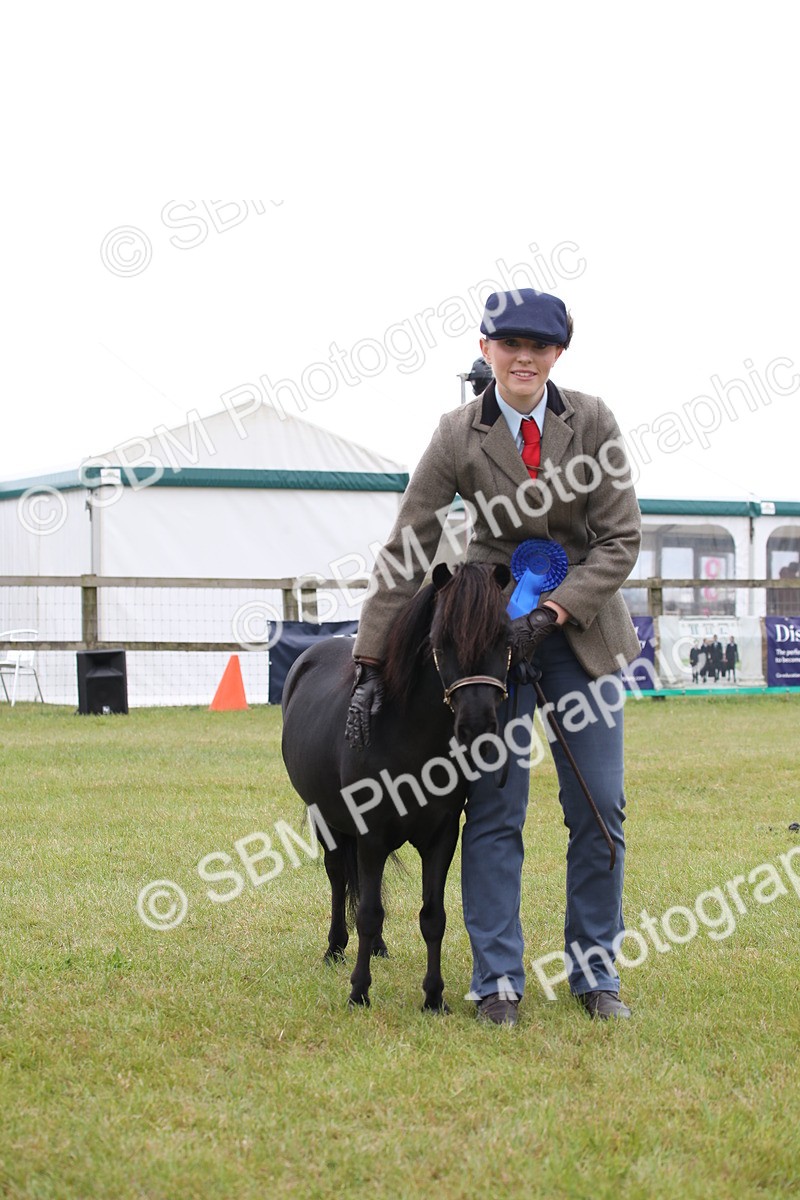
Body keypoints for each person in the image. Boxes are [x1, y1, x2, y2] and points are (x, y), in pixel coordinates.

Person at [346, 289, 641, 1024]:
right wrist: (370, 657)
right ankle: (497, 979)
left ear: (557, 356)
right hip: (486, 641)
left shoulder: (594, 421)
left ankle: (595, 973)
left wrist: (551, 611)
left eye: (539, 347)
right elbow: (410, 544)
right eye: (509, 345)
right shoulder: (456, 433)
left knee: (600, 805)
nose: (524, 358)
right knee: (495, 807)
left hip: (581, 631)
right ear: (486, 351)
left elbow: (619, 541)